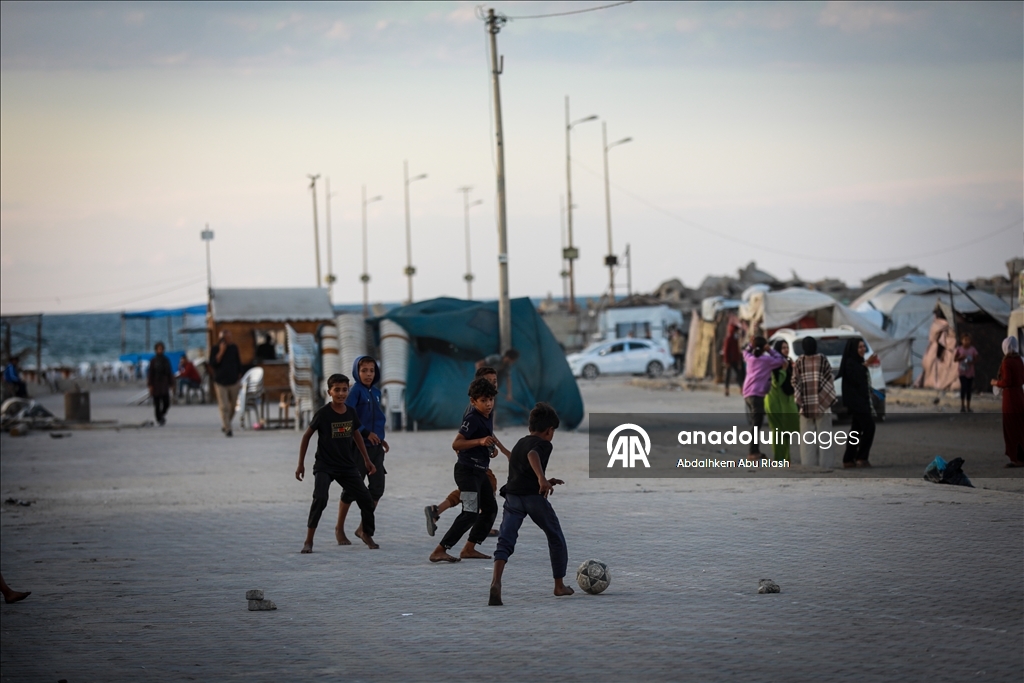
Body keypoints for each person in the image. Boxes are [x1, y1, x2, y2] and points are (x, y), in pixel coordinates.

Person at [489, 402, 573, 606]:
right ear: (549, 430)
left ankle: (496, 582)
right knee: (555, 537)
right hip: (532, 498)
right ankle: (559, 585)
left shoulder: (520, 442)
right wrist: (542, 480)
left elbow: (522, 468)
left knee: (505, 540)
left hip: (513, 497)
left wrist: (544, 479)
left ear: (530, 427)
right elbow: (532, 455)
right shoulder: (544, 444)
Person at [295, 373, 379, 552]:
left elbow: (356, 434)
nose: (341, 393)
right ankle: (309, 540)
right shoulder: (323, 414)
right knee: (320, 498)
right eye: (337, 390)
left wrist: (367, 459)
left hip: (347, 466)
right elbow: (306, 436)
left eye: (344, 390)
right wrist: (300, 464)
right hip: (325, 465)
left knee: (366, 499)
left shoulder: (351, 412)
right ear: (329, 392)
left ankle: (366, 533)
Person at [424, 366, 510, 537]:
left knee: (473, 493)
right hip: (471, 464)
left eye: (494, 381)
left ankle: (438, 511)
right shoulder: (474, 410)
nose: (492, 385)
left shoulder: (488, 407)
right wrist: (477, 447)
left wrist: (496, 448)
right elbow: (461, 440)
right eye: (488, 381)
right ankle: (476, 526)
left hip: (477, 462)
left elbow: (486, 433)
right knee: (481, 491)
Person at [335, 356, 388, 545]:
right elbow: (348, 418)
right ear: (356, 372)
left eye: (371, 370)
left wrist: (380, 438)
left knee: (377, 489)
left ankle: (363, 528)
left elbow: (377, 418)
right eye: (364, 370)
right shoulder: (355, 392)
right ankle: (339, 528)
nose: (368, 374)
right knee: (351, 489)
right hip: (358, 449)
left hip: (375, 449)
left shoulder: (376, 392)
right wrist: (366, 433)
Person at [792, 336, 837, 468]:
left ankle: (808, 465)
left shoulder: (799, 361)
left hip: (805, 405)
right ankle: (826, 465)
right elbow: (829, 377)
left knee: (807, 438)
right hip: (823, 404)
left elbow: (794, 381)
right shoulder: (822, 359)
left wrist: (800, 398)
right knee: (825, 436)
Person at [741, 337, 787, 456]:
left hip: (747, 394)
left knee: (756, 422)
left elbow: (745, 352)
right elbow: (781, 360)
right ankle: (753, 451)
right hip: (756, 395)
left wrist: (750, 345)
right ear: (764, 347)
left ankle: (755, 450)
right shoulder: (767, 360)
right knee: (756, 424)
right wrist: (770, 350)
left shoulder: (750, 358)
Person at [838, 338, 875, 468]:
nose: (863, 349)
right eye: (859, 347)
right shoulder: (850, 363)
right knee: (869, 427)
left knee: (856, 430)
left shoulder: (858, 362)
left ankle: (848, 459)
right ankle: (861, 457)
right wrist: (866, 364)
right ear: (854, 349)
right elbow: (856, 379)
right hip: (856, 403)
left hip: (861, 401)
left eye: (863, 346)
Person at [764, 340, 800, 462]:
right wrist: (783, 370)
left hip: (786, 400)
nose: (786, 350)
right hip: (775, 401)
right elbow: (777, 382)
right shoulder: (774, 363)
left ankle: (786, 458)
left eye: (787, 347)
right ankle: (779, 459)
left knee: (787, 431)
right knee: (778, 432)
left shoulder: (788, 361)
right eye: (783, 348)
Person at [991, 337, 1024, 466]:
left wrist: (995, 383)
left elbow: (1007, 382)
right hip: (1020, 394)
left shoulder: (1007, 362)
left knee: (1011, 428)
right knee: (1020, 426)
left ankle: (1016, 459)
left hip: (1010, 397)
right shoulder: (1019, 360)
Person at [208, 330, 242, 437]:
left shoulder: (234, 348)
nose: (230, 340)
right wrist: (221, 352)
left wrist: (239, 375)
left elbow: (238, 362)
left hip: (233, 381)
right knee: (224, 406)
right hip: (220, 382)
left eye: (230, 337)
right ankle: (228, 428)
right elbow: (213, 363)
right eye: (227, 338)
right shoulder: (215, 349)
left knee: (233, 406)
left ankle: (226, 423)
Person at [147, 342, 173, 426]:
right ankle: (159, 419)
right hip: (156, 384)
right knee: (157, 404)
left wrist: (171, 383)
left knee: (166, 403)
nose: (160, 350)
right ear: (156, 350)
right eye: (159, 349)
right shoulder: (153, 361)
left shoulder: (166, 360)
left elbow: (169, 372)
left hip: (164, 383)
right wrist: (150, 385)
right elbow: (150, 374)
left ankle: (162, 414)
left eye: (161, 349)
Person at [954, 334, 979, 413]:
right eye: (965, 340)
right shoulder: (959, 349)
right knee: (963, 388)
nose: (966, 342)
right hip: (962, 372)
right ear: (962, 341)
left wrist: (971, 362)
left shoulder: (972, 349)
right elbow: (955, 359)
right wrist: (960, 357)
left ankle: (968, 407)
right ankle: (962, 406)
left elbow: (976, 359)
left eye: (968, 340)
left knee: (968, 389)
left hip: (970, 372)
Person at [722, 319, 744, 397]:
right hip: (729, 360)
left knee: (739, 374)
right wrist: (726, 361)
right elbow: (726, 351)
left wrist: (738, 360)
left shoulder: (735, 339)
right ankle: (726, 389)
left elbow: (737, 350)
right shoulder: (728, 339)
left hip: (735, 360)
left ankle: (741, 388)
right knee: (728, 375)